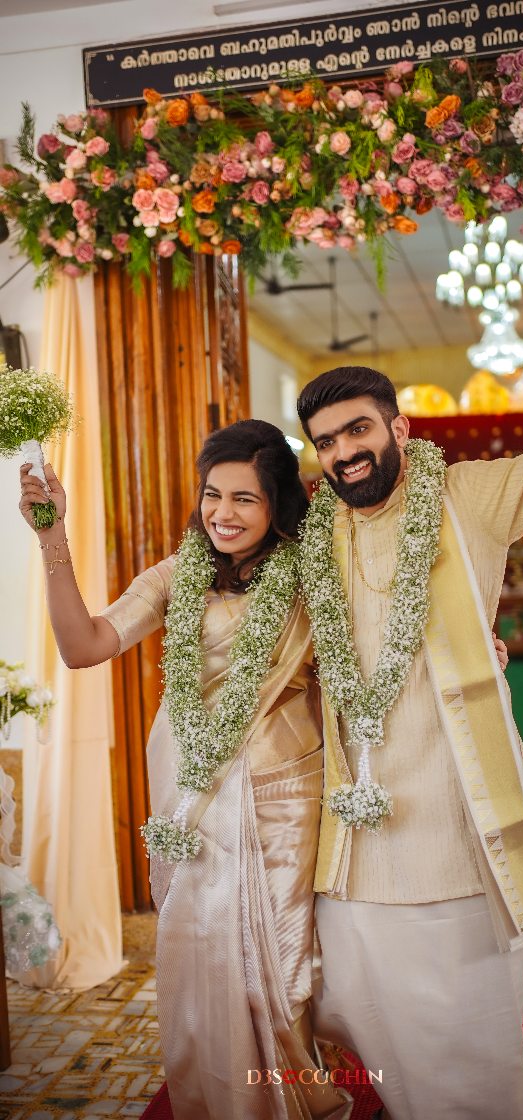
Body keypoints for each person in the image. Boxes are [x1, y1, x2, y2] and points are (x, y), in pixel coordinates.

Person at [296, 337, 523, 1120]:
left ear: (399, 428)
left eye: (357, 430)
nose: (344, 453)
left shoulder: (469, 497)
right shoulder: (317, 537)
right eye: (327, 442)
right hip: (355, 831)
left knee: (463, 1024)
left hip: (452, 816)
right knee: (368, 1007)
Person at [19, 419, 351, 1120]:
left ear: (278, 505)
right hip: (188, 797)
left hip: (281, 792)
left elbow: (366, 656)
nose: (222, 515)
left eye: (244, 500)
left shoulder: (312, 578)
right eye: (212, 495)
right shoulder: (176, 575)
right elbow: (86, 646)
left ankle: (302, 1102)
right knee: (201, 954)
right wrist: (53, 539)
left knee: (281, 971)